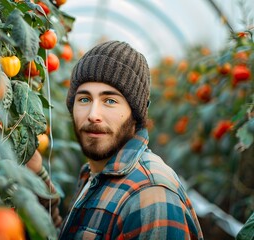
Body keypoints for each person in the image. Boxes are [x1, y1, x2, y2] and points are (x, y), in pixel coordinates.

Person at [28, 40, 204, 239]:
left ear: (135, 114)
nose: (93, 114)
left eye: (110, 101)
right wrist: (35, 176)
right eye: (84, 99)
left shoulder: (150, 197)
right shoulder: (95, 174)